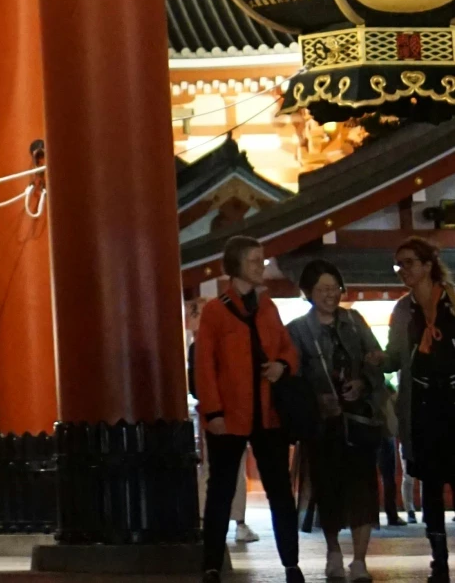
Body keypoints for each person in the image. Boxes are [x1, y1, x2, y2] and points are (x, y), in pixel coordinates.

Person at [193, 235, 303, 583]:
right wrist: (214, 413)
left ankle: (291, 564)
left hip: (268, 413)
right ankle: (211, 564)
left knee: (280, 491)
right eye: (255, 261)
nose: (262, 266)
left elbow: (288, 350)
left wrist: (282, 366)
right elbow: (204, 366)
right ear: (237, 265)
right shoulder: (215, 310)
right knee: (221, 492)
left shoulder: (268, 307)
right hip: (229, 414)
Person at [287, 256, 387, 583]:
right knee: (327, 490)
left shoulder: (355, 321)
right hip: (323, 426)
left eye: (334, 287)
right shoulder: (298, 331)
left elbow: (376, 361)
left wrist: (363, 382)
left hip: (359, 422)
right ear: (308, 292)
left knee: (362, 491)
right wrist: (316, 399)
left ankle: (359, 561)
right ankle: (333, 553)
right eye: (322, 289)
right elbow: (293, 377)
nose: (331, 294)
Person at [386, 236, 455, 583]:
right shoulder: (403, 309)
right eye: (399, 265)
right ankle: (438, 560)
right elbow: (393, 356)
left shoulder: (453, 299)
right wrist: (373, 360)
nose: (403, 270)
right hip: (423, 404)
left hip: (454, 399)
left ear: (428, 265)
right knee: (429, 483)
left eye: (409, 262)